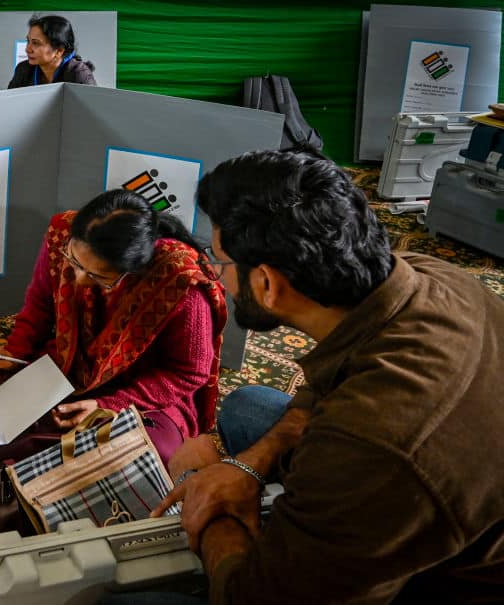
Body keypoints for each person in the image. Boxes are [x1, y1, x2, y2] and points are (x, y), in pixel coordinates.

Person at [105, 149, 504, 605]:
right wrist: (248, 463)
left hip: (449, 575)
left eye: (222, 263)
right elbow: (324, 384)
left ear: (268, 285)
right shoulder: (427, 274)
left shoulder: (371, 446)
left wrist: (212, 507)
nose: (219, 276)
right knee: (248, 405)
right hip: (447, 487)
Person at [0, 189, 227, 465]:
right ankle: (27, 455)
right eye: (74, 262)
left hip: (143, 395)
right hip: (67, 369)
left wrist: (111, 406)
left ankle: (25, 457)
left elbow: (189, 373)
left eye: (98, 276)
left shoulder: (181, 284)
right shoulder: (62, 233)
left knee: (142, 452)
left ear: (134, 270)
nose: (78, 279)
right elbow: (40, 305)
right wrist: (14, 352)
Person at [7, 15, 96, 89]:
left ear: (59, 50)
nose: (27, 49)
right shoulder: (23, 69)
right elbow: (8, 104)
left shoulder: (79, 74)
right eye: (28, 41)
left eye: (36, 43)